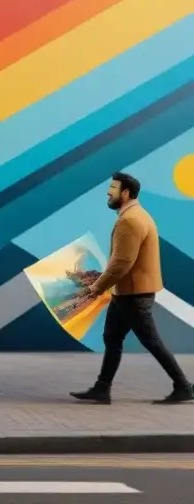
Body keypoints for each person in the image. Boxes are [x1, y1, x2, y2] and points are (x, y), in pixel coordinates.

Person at [71, 172, 193, 405]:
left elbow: (121, 264)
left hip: (134, 294)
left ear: (125, 193)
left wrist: (96, 288)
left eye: (113, 188)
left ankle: (183, 386)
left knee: (151, 341)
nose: (108, 192)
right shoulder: (138, 214)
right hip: (126, 292)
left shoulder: (130, 220)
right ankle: (102, 388)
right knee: (112, 337)